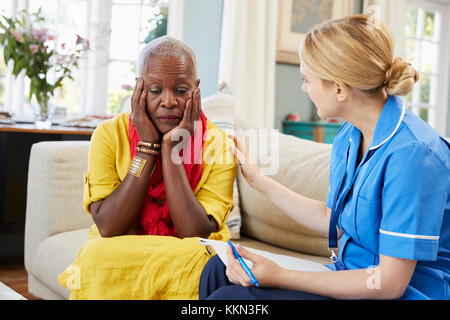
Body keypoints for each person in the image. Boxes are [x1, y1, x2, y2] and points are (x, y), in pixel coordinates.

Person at [199, 15, 450, 300]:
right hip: (348, 273)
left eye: (307, 79)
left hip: (402, 293)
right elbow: (331, 217)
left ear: (340, 89)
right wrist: (259, 180)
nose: (304, 88)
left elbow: (389, 284)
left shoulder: (415, 155)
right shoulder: (349, 136)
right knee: (217, 269)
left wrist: (281, 275)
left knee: (231, 300)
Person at [58, 36, 237, 299]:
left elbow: (193, 233)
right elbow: (109, 227)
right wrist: (147, 147)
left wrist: (171, 150)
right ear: (139, 88)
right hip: (124, 245)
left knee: (201, 261)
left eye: (181, 90)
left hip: (188, 251)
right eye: (155, 90)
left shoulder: (219, 143)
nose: (168, 101)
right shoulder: (109, 134)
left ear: (196, 90)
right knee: (96, 254)